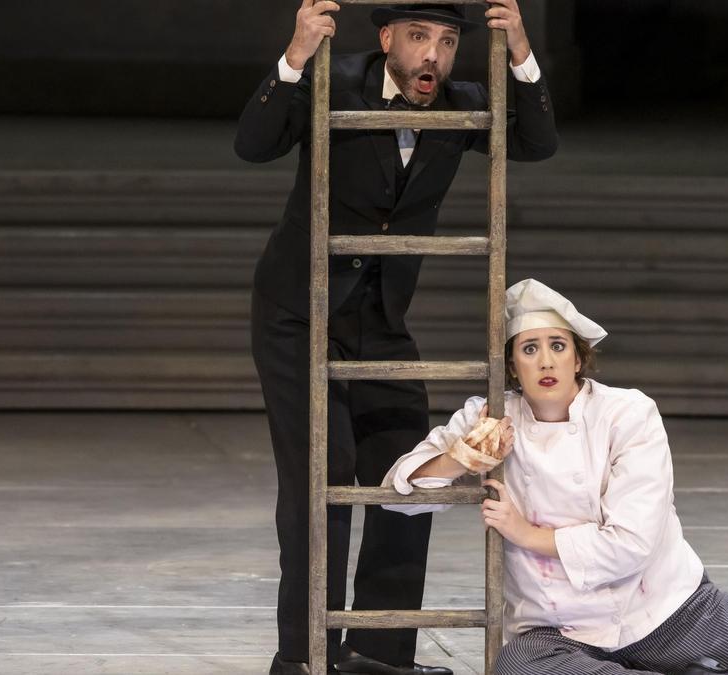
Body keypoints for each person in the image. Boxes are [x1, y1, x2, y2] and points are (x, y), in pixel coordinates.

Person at [234, 1, 558, 672]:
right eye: (418, 38)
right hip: (299, 312)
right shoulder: (336, 81)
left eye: (447, 41)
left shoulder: (462, 104)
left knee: (414, 471)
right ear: (387, 39)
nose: (433, 55)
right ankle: (305, 658)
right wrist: (296, 54)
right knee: (321, 475)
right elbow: (254, 143)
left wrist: (522, 50)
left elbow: (537, 142)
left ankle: (379, 656)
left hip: (379, 321)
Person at [381, 279, 728, 675]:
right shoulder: (491, 418)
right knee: (518, 667)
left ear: (578, 359)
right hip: (558, 628)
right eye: (529, 349)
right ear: (512, 367)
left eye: (558, 346)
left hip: (665, 608)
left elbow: (630, 543)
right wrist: (463, 457)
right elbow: (396, 492)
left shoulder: (628, 413)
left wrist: (525, 533)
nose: (545, 362)